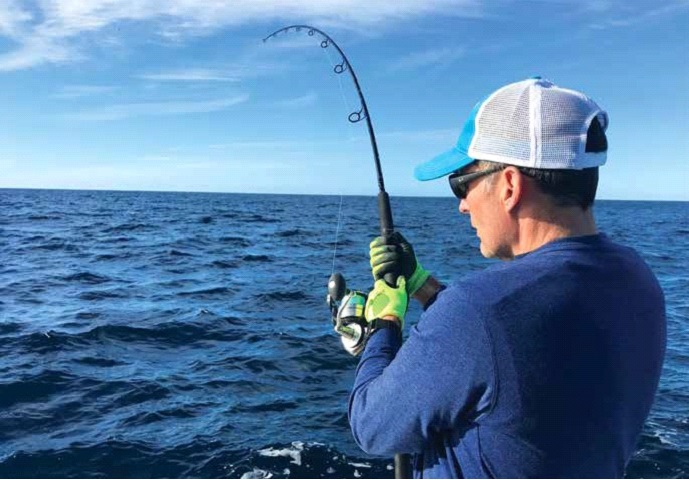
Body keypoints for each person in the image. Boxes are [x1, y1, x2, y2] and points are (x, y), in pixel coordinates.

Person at [348, 77, 666, 478]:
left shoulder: (478, 312)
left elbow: (372, 426)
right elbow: (515, 343)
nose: (462, 206)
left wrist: (384, 324)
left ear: (510, 185)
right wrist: (420, 284)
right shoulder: (638, 279)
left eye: (461, 184)